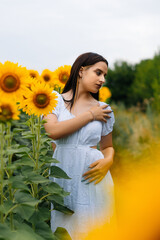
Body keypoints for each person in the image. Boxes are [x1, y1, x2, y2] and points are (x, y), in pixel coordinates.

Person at [43, 52, 115, 240]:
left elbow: (107, 146)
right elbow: (52, 131)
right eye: (98, 73)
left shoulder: (104, 108)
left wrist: (108, 160)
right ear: (81, 71)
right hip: (62, 175)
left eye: (104, 76)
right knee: (63, 229)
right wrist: (90, 115)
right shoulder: (55, 100)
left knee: (93, 228)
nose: (102, 80)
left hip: (93, 176)